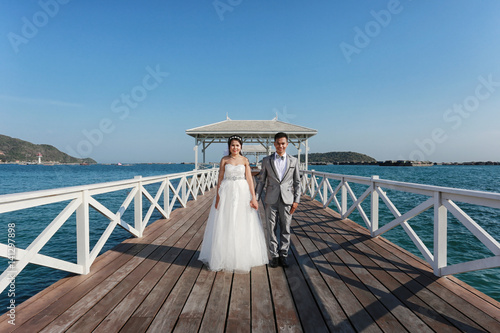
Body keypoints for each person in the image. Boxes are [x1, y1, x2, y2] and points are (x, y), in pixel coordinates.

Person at [198, 135, 269, 272]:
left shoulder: (245, 160)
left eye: (237, 145)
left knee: (241, 222)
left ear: (240, 147)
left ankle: (241, 257)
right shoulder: (224, 160)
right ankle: (224, 256)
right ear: (229, 147)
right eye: (232, 145)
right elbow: (220, 178)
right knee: (226, 222)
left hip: (242, 192)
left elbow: (249, 179)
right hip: (227, 192)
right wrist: (217, 196)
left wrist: (253, 198)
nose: (235, 148)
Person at [256, 132, 301, 268]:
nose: (280, 145)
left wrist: (297, 200)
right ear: (274, 144)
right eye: (278, 143)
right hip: (270, 199)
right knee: (271, 228)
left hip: (287, 199)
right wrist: (256, 199)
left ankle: (284, 254)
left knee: (286, 228)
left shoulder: (294, 161)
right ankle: (274, 255)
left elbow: (297, 182)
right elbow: (261, 181)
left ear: (287, 144)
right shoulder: (266, 160)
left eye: (283, 143)